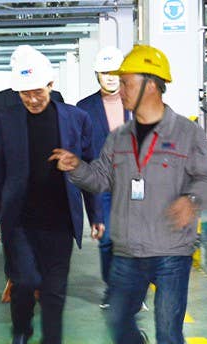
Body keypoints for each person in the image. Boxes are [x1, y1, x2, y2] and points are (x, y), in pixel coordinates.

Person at [48, 44, 207, 344]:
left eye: (127, 82)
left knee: (169, 330)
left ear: (151, 85)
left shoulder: (186, 134)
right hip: (128, 250)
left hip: (171, 251)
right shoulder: (119, 138)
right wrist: (76, 167)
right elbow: (100, 178)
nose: (121, 89)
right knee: (116, 319)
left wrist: (191, 200)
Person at [0, 48, 102, 344]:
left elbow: (89, 168)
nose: (32, 100)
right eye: (25, 94)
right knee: (24, 282)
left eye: (37, 92)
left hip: (60, 221)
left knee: (54, 291)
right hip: (19, 220)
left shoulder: (76, 119)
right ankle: (21, 332)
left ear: (51, 85)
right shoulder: (6, 120)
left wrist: (95, 214)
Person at [0, 45, 64, 303]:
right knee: (16, 238)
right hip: (14, 181)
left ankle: (35, 279)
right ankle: (16, 279)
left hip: (48, 185)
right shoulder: (0, 101)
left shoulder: (55, 98)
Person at [76, 46, 131, 309]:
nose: (110, 78)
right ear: (97, 75)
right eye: (104, 73)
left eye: (115, 72)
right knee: (107, 239)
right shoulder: (84, 108)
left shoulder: (138, 103)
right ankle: (113, 289)